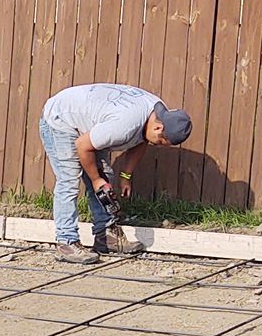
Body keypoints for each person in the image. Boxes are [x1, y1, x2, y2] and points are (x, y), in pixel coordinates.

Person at [39, 85, 193, 261]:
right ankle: (66, 242)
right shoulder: (124, 125)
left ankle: (106, 237)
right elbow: (83, 145)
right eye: (160, 142)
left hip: (91, 121)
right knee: (69, 181)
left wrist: (125, 176)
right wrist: (96, 180)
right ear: (159, 128)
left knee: (105, 177)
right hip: (61, 118)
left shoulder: (157, 115)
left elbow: (143, 139)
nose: (157, 145)